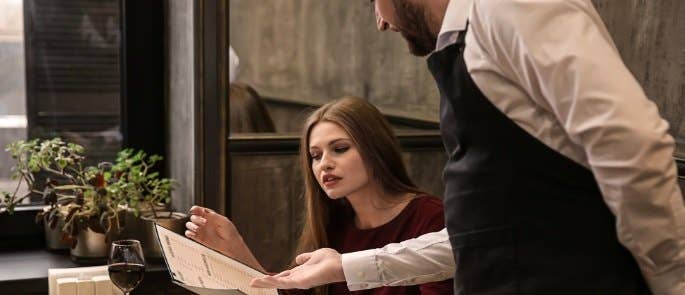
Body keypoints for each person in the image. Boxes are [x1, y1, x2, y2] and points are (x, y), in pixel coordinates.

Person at [251, 0, 685, 294]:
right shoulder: (467, 45)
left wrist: (672, 283)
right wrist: (345, 267)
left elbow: (635, 146)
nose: (380, 21)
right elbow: (483, 238)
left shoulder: (512, 9)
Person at [186, 97, 454, 294]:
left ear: (376, 150)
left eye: (339, 149)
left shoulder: (429, 217)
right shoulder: (334, 223)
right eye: (315, 156)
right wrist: (235, 249)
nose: (324, 164)